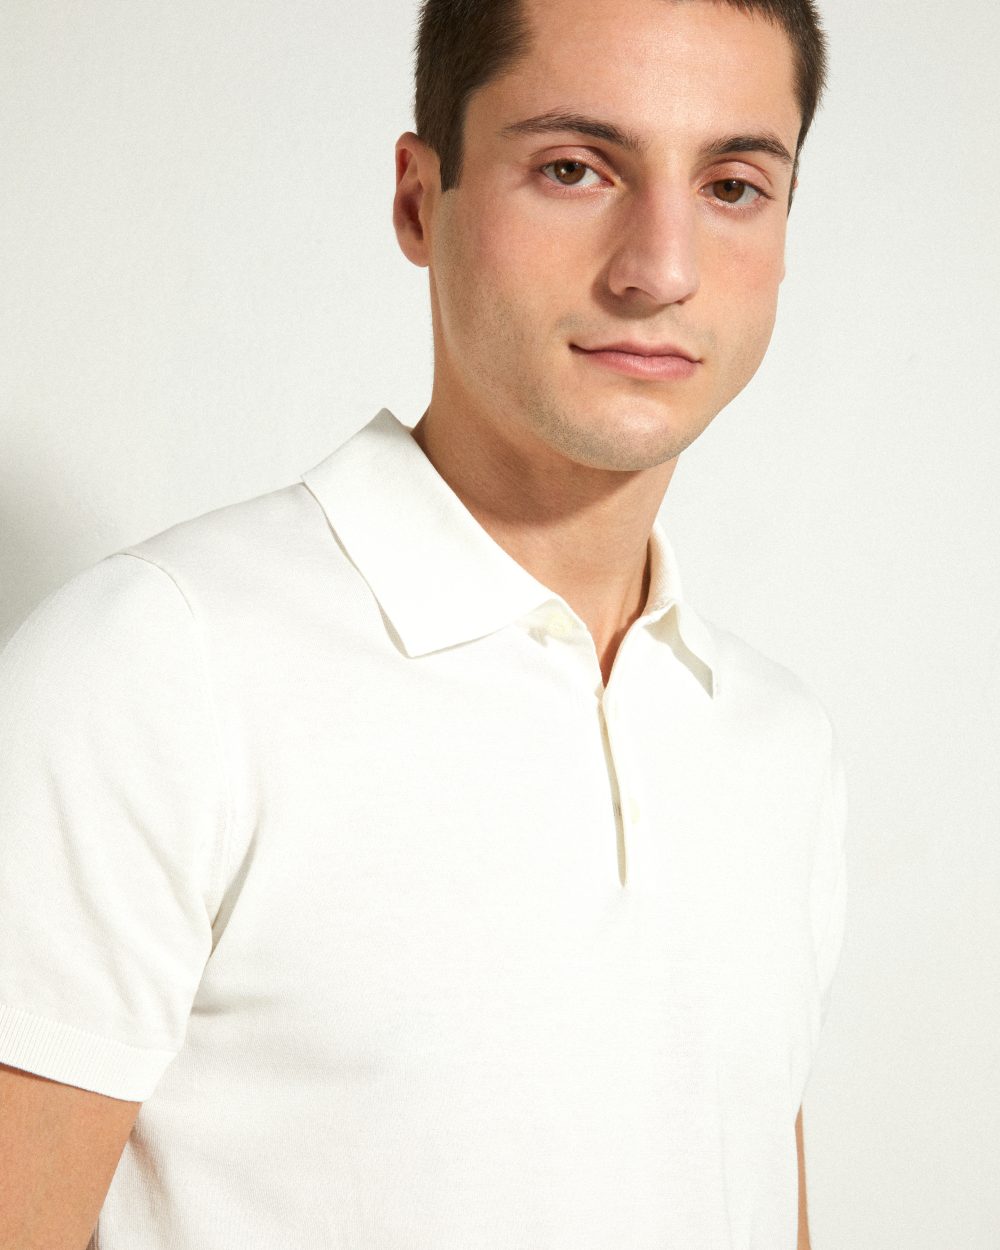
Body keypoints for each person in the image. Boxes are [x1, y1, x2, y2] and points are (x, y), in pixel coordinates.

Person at [0, 0, 847, 1246]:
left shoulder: (776, 741)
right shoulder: (157, 665)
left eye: (731, 186)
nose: (658, 267)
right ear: (418, 198)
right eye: (574, 168)